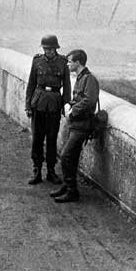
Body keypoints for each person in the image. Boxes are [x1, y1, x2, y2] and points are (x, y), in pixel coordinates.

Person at [51, 49, 99, 203]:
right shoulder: (80, 77)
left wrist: (73, 111)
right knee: (71, 157)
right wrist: (69, 104)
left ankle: (72, 191)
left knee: (66, 156)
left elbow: (89, 101)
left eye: (70, 61)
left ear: (78, 62)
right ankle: (67, 186)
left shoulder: (89, 79)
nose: (68, 64)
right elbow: (79, 98)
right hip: (76, 124)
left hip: (82, 125)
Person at [25, 35, 71, 185]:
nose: (47, 51)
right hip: (38, 103)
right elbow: (31, 84)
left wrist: (66, 107)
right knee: (37, 138)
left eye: (50, 49)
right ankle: (37, 170)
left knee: (52, 138)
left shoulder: (63, 63)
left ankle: (51, 170)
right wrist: (28, 105)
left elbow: (67, 87)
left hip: (54, 104)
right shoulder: (37, 61)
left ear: (56, 48)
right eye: (45, 49)